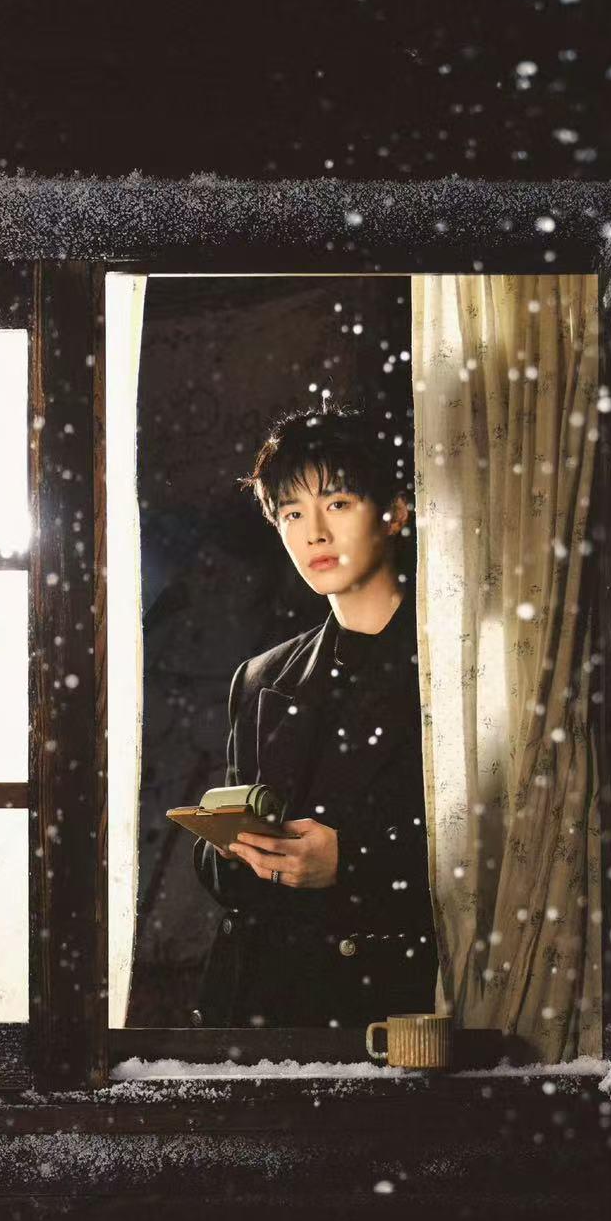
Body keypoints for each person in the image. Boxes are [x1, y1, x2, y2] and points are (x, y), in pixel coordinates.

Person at [191, 405, 439, 1029]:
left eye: (338, 503)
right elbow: (219, 860)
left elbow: (503, 850)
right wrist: (236, 849)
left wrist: (351, 863)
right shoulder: (261, 677)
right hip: (257, 1009)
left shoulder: (456, 670)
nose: (315, 534)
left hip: (387, 1011)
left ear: (396, 512)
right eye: (293, 514)